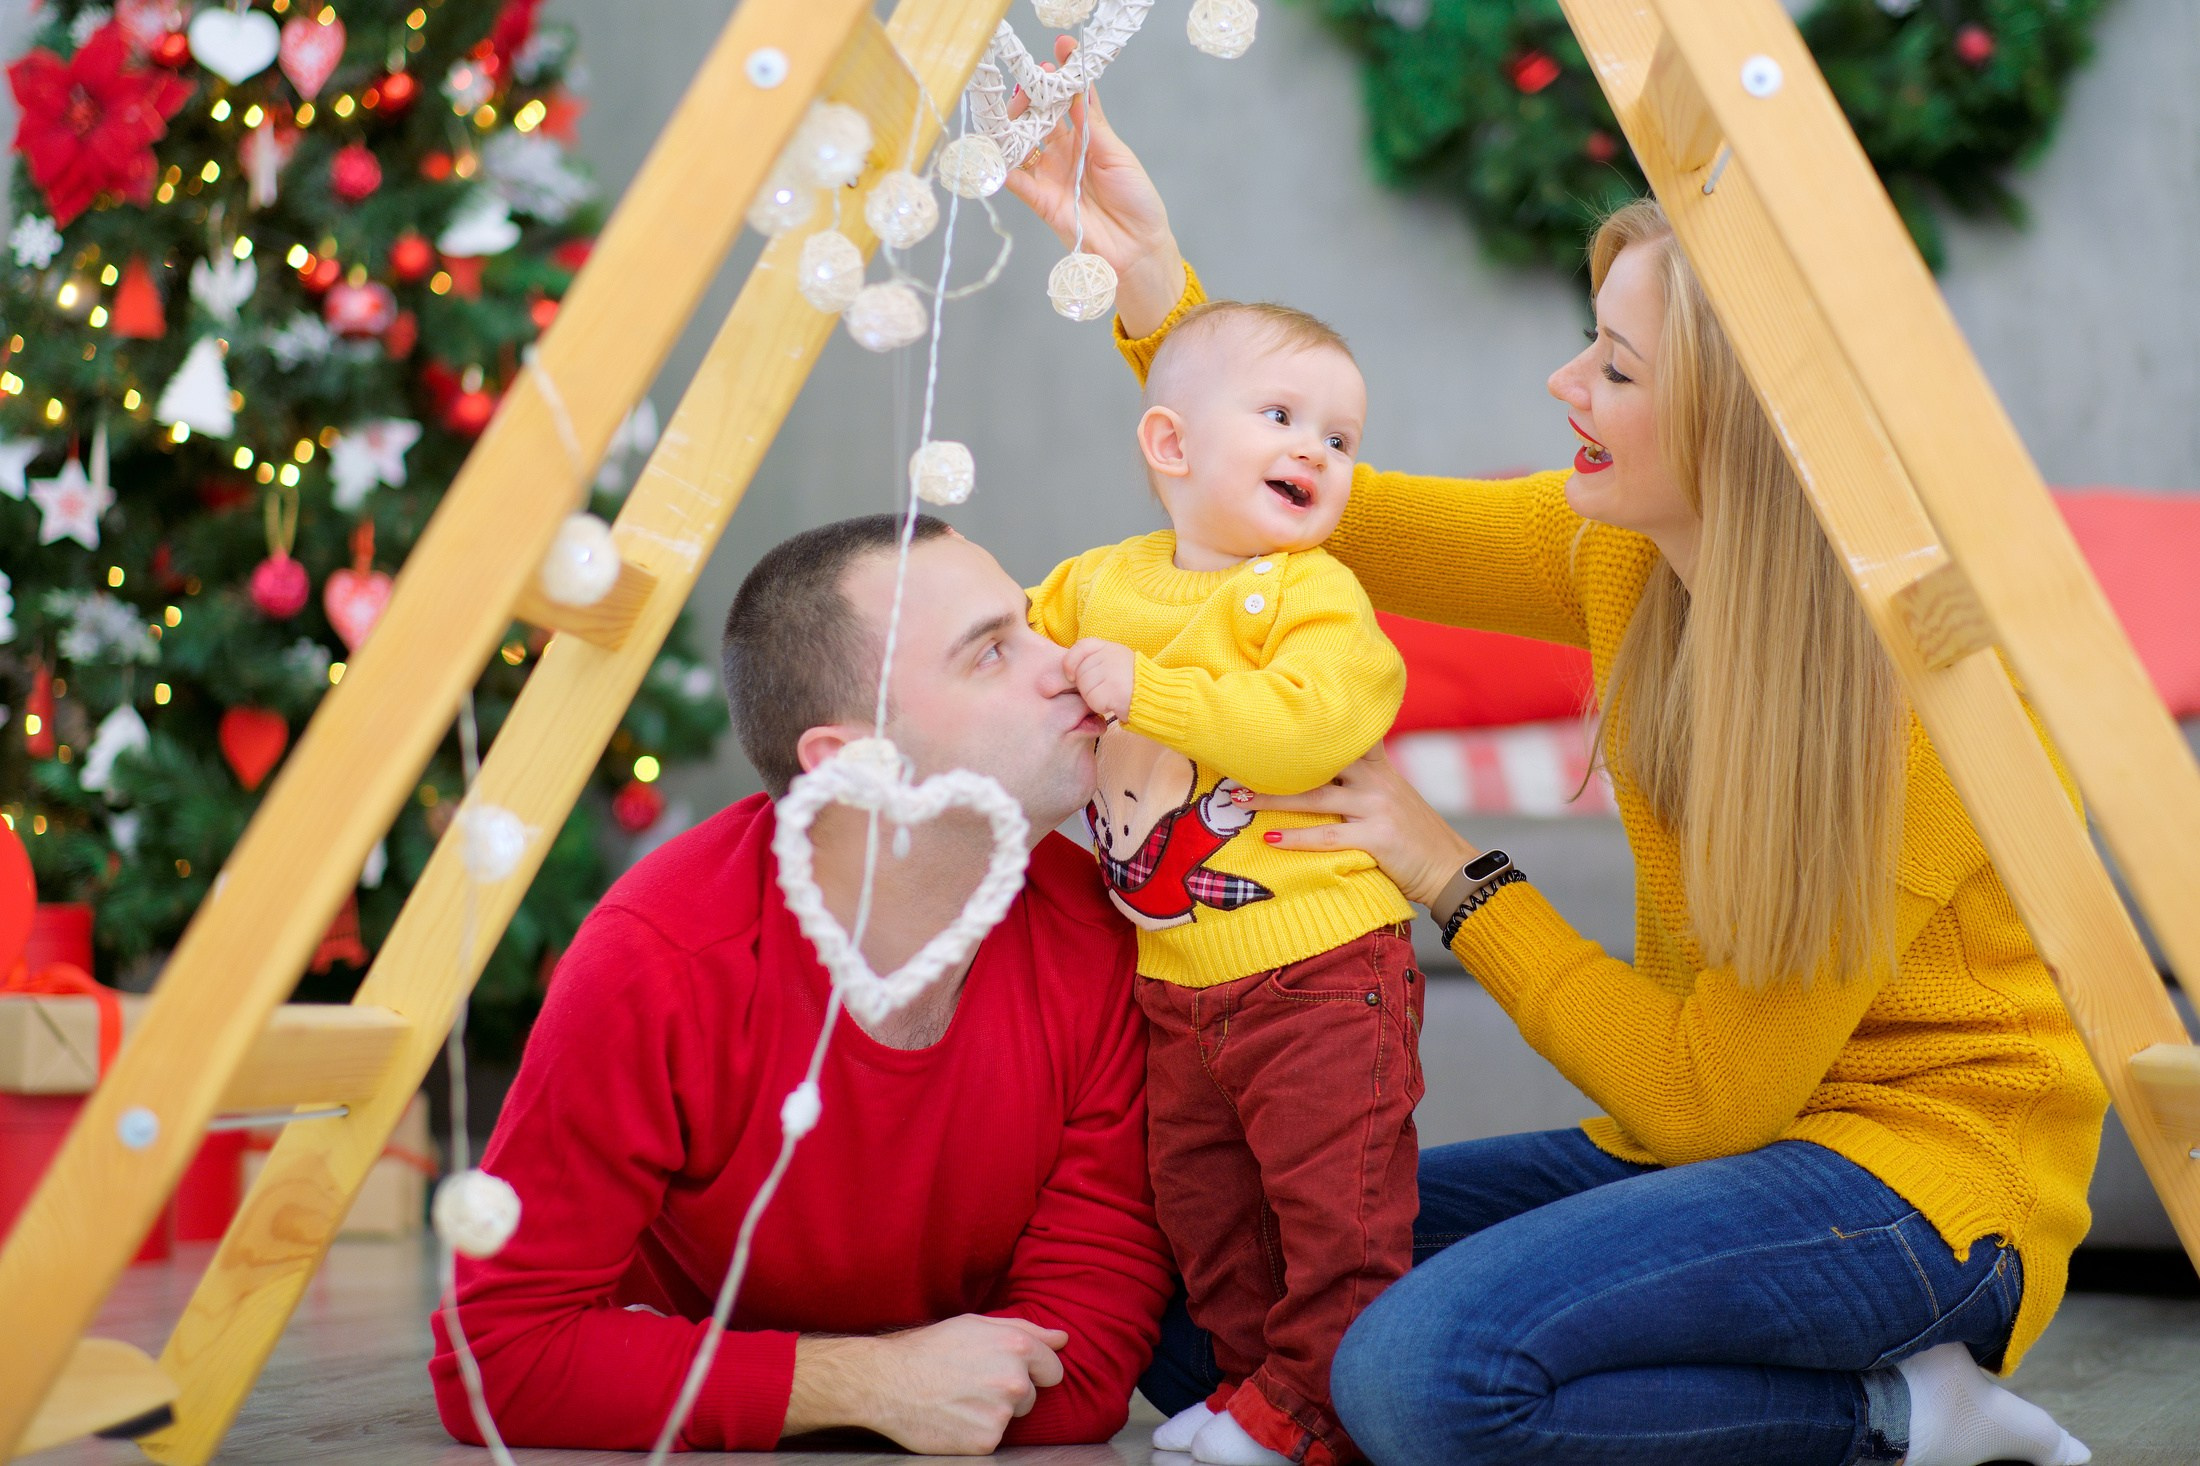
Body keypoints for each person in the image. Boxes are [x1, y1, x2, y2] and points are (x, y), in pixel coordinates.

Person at [1005, 50, 2105, 1466]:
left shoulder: (1921, 702)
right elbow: (1331, 508)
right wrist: (1157, 280)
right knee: (1210, 1302)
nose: (1563, 378)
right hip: (1709, 1153)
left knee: (1410, 1374)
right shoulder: (1623, 554)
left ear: (1731, 424)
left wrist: (1445, 864)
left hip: (1921, 1186)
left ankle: (1906, 1409)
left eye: (1615, 363)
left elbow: (1713, 1091)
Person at [427, 515, 1172, 1453]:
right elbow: (499, 1360)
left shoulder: (1106, 937)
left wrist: (888, 1389)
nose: (1068, 660)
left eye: (1030, 622)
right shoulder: (659, 958)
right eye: (990, 653)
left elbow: (1088, 1370)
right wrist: (866, 1385)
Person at [1028, 301, 1420, 1466]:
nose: (1317, 451)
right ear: (1171, 446)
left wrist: (1139, 692)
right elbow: (1019, 662)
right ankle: (1260, 1386)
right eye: (1282, 417)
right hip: (1175, 978)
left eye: (1342, 438)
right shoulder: (1100, 584)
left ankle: (1315, 1405)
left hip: (1320, 967)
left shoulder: (1312, 595)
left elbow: (1302, 731)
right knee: (1207, 1210)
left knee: (1332, 1211)